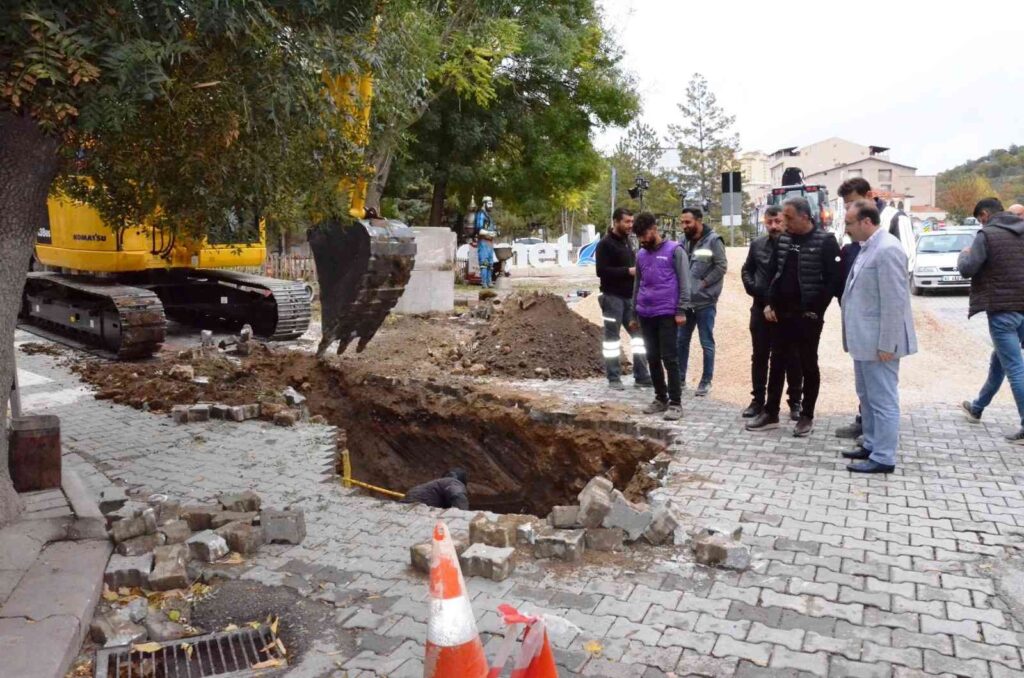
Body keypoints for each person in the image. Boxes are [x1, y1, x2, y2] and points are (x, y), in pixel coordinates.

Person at [746, 197, 840, 437]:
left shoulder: (825, 241)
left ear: (805, 217)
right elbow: (775, 274)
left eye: (788, 217)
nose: (784, 222)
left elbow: (832, 281)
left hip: (807, 315)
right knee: (776, 362)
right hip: (781, 313)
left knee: (807, 364)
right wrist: (769, 302)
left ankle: (806, 415)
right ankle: (771, 412)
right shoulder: (784, 240)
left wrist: (816, 310)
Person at [839, 200, 918, 473]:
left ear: (867, 222)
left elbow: (895, 302)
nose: (846, 228)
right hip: (864, 341)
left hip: (879, 343)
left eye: (849, 223)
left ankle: (884, 457)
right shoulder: (867, 247)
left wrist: (888, 343)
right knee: (867, 396)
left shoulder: (887, 250)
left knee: (883, 399)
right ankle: (871, 444)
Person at [957, 198, 1024, 445]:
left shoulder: (987, 235)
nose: (980, 223)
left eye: (979, 218)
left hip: (1002, 309)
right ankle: (977, 407)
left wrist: (963, 255)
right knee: (1001, 360)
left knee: (1015, 367)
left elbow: (968, 268)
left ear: (985, 214)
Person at [833, 177, 889, 439]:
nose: (848, 210)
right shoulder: (855, 228)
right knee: (865, 386)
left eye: (853, 203)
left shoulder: (890, 224)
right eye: (846, 206)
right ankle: (867, 427)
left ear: (869, 195)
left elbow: (897, 278)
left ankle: (880, 439)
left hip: (877, 316)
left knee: (881, 389)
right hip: (858, 315)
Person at [741, 206, 802, 420]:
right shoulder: (757, 244)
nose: (774, 226)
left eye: (777, 221)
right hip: (760, 308)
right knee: (759, 356)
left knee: (792, 358)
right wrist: (755, 290)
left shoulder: (794, 245)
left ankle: (795, 401)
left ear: (784, 221)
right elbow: (746, 270)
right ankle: (758, 400)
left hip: (785, 312)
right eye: (769, 222)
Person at [630, 212, 691, 421]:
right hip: (646, 314)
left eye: (644, 235)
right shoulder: (640, 255)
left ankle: (675, 403)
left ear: (654, 229)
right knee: (653, 358)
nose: (642, 240)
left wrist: (681, 309)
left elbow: (685, 282)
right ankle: (660, 397)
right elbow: (637, 285)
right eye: (638, 237)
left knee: (669, 358)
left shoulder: (675, 251)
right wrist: (633, 312)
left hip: (667, 313)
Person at [596, 207, 652, 390]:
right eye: (626, 222)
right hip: (612, 298)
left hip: (630, 298)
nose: (630, 225)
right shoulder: (605, 244)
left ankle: (642, 376)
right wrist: (628, 271)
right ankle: (614, 378)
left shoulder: (628, 242)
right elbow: (601, 271)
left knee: (639, 337)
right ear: (616, 222)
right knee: (612, 339)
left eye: (631, 221)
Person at [676, 207, 727, 396]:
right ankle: (679, 379)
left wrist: (704, 283)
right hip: (686, 302)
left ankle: (706, 381)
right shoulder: (682, 241)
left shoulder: (713, 240)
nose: (684, 226)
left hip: (705, 302)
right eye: (682, 222)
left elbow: (721, 266)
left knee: (706, 342)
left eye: (688, 222)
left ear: (699, 220)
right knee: (681, 341)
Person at [402, 469, 470, 509]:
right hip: (416, 508)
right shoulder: (454, 483)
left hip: (405, 507)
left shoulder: (434, 486)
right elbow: (458, 496)